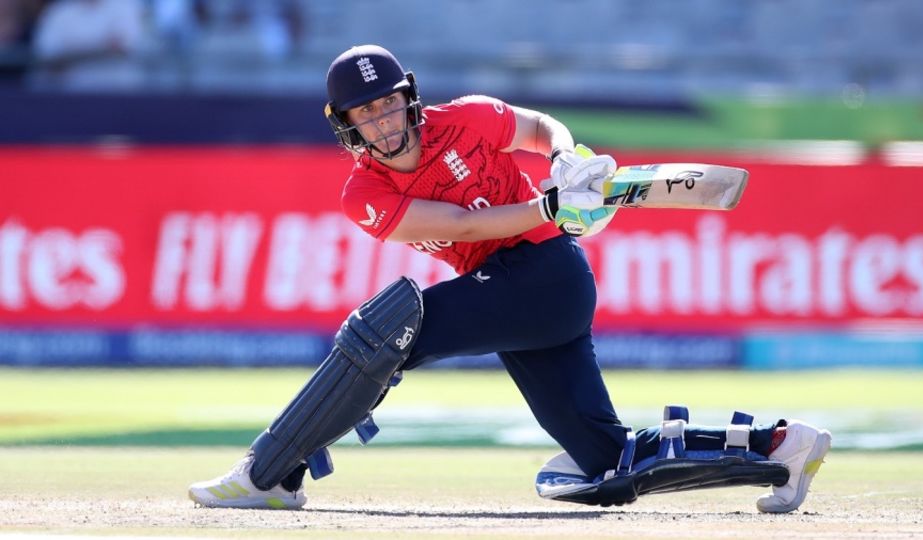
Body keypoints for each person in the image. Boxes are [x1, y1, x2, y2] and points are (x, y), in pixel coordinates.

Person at [188, 44, 831, 513]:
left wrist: (565, 160)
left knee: (387, 331)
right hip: (521, 289)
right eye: (365, 114)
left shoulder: (465, 118)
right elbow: (459, 228)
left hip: (545, 275)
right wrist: (548, 205)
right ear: (346, 126)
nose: (382, 122)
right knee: (607, 460)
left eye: (388, 105)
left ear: (408, 99)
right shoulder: (364, 191)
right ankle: (781, 448)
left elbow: (538, 127)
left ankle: (271, 473)